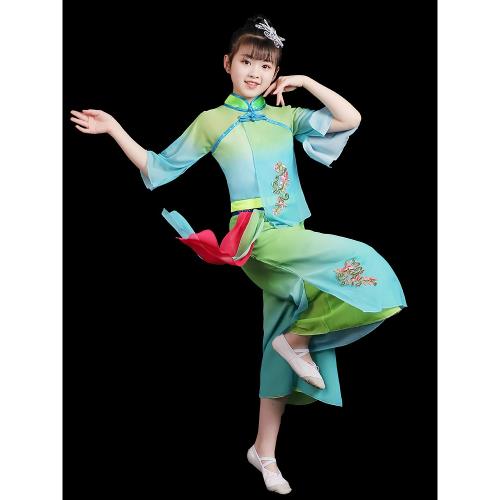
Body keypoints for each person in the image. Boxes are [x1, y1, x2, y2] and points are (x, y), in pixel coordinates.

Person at [70, 15, 407, 495]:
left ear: (275, 74)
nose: (255, 72)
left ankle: (264, 452)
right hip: (256, 235)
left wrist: (307, 81)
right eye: (247, 61)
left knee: (277, 340)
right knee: (367, 263)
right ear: (227, 63)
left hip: (294, 231)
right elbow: (157, 167)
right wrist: (115, 129)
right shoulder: (212, 121)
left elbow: (350, 119)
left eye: (266, 66)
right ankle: (297, 340)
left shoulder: (286, 117)